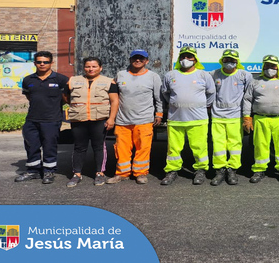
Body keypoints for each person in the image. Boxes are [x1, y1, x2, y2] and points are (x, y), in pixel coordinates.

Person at [160, 46, 215, 186]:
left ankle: (200, 171)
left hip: (198, 119)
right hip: (175, 119)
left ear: (195, 59)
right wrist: (176, 104)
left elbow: (211, 94)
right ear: (179, 59)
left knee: (199, 147)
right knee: (173, 148)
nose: (186, 59)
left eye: (189, 57)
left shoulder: (204, 75)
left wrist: (199, 105)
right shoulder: (170, 75)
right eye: (183, 57)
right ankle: (172, 170)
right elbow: (165, 94)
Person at [106, 49, 163, 185]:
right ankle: (122, 173)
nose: (138, 61)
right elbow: (114, 98)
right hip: (122, 120)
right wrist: (112, 117)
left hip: (144, 119)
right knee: (121, 148)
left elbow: (159, 97)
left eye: (141, 59)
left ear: (146, 61)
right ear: (130, 60)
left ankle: (140, 174)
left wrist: (159, 114)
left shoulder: (153, 76)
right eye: (135, 58)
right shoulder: (120, 75)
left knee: (143, 148)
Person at [16, 51, 69, 184]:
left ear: (51, 63)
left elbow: (66, 98)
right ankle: (33, 171)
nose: (42, 64)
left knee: (49, 146)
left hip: (52, 120)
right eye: (39, 62)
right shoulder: (28, 80)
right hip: (32, 120)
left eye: (45, 62)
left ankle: (49, 172)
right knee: (31, 145)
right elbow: (30, 97)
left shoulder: (61, 79)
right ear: (35, 63)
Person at [65, 57, 119, 187]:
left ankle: (99, 173)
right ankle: (76, 174)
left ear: (100, 68)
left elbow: (114, 101)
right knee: (79, 147)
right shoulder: (73, 81)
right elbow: (66, 97)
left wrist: (111, 119)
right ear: (84, 68)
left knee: (99, 147)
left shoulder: (108, 82)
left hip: (99, 120)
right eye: (88, 66)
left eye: (94, 66)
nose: (91, 69)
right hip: (79, 119)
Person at [242, 55, 279, 184]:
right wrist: (247, 117)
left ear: (277, 67)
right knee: (260, 145)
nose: (269, 68)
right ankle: (259, 169)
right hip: (261, 118)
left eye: (272, 65)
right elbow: (247, 99)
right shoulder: (255, 81)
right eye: (267, 65)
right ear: (263, 66)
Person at [209, 49, 253, 186]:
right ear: (222, 60)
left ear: (237, 61)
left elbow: (248, 97)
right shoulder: (213, 74)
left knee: (235, 144)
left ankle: (232, 169)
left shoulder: (245, 75)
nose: (229, 62)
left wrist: (247, 117)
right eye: (226, 59)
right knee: (218, 144)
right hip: (217, 116)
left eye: (232, 60)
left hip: (235, 116)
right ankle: (220, 170)